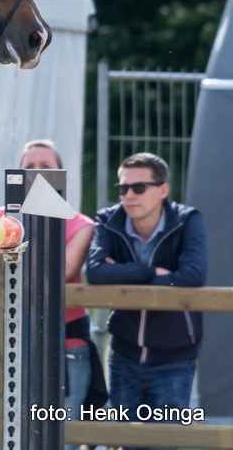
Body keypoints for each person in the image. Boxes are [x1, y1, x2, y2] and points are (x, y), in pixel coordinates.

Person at [0, 140, 99, 450]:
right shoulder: (2, 215)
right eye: (29, 168)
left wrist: (30, 221)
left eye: (46, 168)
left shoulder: (80, 224)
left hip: (65, 345)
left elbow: (59, 273)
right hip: (14, 339)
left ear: (61, 174)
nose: (37, 175)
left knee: (57, 442)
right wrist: (8, 222)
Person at [87, 152, 206, 450]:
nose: (129, 195)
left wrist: (124, 274)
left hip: (174, 358)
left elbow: (192, 274)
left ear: (163, 190)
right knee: (126, 444)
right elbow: (97, 273)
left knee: (164, 444)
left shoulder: (187, 219)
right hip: (124, 354)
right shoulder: (108, 218)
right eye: (122, 188)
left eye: (138, 188)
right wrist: (152, 271)